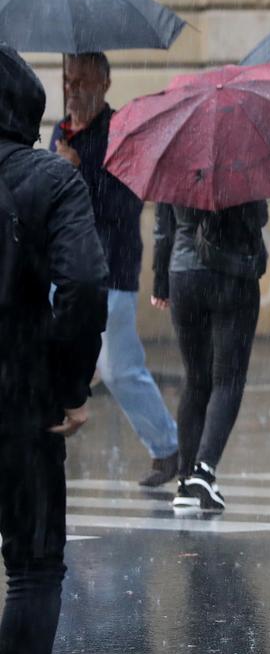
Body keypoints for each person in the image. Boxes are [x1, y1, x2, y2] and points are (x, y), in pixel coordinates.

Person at [0, 47, 108, 654]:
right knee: (34, 566)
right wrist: (67, 384)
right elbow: (85, 284)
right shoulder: (50, 179)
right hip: (21, 396)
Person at [50, 51, 180, 487]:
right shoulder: (61, 132)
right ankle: (42, 444)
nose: (74, 90)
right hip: (64, 269)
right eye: (69, 81)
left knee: (119, 369)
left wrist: (76, 171)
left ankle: (167, 449)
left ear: (105, 84)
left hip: (111, 269)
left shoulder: (121, 132)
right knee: (44, 355)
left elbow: (124, 204)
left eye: (84, 82)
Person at [152, 198, 268, 513]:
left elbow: (164, 228)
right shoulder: (244, 159)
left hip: (184, 276)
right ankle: (205, 469)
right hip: (232, 274)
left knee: (196, 379)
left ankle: (185, 480)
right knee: (228, 378)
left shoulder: (174, 157)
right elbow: (258, 218)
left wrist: (160, 281)